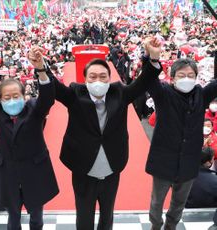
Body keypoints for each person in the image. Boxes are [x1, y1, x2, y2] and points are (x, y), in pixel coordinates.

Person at [52, 38, 162, 230]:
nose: (98, 81)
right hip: (82, 168)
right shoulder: (75, 94)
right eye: (92, 77)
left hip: (112, 166)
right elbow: (55, 89)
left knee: (107, 214)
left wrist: (153, 57)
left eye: (103, 76)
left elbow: (144, 82)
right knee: (84, 215)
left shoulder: (119, 93)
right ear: (85, 79)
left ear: (109, 78)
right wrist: (41, 69)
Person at [0, 46, 59, 230]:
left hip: (34, 171)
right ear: (0, 99)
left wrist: (40, 68)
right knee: (13, 218)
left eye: (16, 96)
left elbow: (48, 97)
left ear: (24, 96)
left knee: (36, 219)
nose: (12, 100)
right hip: (7, 174)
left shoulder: (34, 109)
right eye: (7, 97)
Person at [144, 55, 217, 230]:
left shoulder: (201, 94)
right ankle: (155, 225)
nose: (186, 79)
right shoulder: (163, 93)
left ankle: (171, 226)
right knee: (157, 201)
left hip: (189, 161)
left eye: (191, 75)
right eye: (182, 75)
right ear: (173, 77)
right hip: (163, 160)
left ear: (196, 77)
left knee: (179, 202)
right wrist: (151, 58)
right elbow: (149, 79)